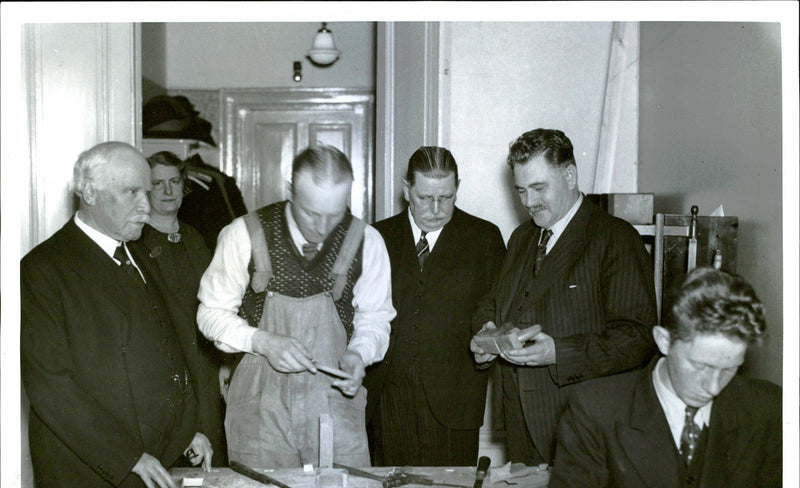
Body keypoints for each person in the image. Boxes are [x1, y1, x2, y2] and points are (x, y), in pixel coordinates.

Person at [21, 141, 218, 488]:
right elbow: (52, 386)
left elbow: (173, 350)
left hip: (159, 475)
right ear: (89, 193)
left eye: (146, 192)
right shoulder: (43, 270)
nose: (146, 206)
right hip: (93, 485)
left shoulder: (139, 254)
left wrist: (189, 427)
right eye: (132, 193)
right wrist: (128, 457)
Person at [538, 268, 782, 488]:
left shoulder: (768, 406)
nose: (714, 387)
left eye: (730, 368)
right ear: (663, 340)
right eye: (701, 366)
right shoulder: (597, 407)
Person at [197, 144, 395, 468]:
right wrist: (262, 341)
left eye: (335, 214)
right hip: (260, 405)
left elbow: (375, 319)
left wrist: (359, 354)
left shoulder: (367, 241)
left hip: (334, 401)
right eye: (311, 213)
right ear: (291, 191)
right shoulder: (244, 234)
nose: (322, 227)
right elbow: (209, 314)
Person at [471, 128, 658, 465]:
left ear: (570, 175)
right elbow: (494, 301)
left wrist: (558, 352)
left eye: (539, 188)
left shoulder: (615, 239)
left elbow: (637, 338)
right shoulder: (522, 238)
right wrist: (486, 331)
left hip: (580, 429)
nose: (529, 202)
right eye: (521, 190)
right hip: (519, 426)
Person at [365, 146, 505, 466]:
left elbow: (497, 309)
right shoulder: (377, 237)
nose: (437, 209)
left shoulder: (485, 239)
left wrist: (490, 338)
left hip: (455, 405)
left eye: (447, 197)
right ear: (406, 190)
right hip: (388, 402)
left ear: (457, 188)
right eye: (426, 197)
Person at [139, 150, 227, 465]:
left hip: (204, 364)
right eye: (158, 183)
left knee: (209, 462)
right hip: (166, 369)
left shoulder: (194, 237)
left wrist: (224, 363)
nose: (167, 190)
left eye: (174, 181)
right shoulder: (136, 243)